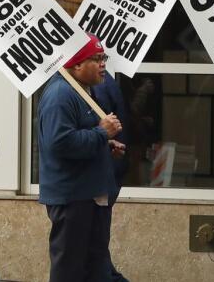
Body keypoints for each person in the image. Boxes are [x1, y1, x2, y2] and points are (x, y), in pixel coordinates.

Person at [36, 35, 125, 282]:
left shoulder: (81, 90)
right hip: (73, 197)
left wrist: (104, 144)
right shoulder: (60, 95)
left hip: (88, 194)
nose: (103, 64)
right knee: (70, 269)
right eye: (96, 59)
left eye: (103, 57)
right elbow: (59, 143)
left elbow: (78, 134)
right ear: (76, 65)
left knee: (95, 267)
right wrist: (101, 133)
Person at [91, 56, 132, 282]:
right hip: (109, 170)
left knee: (94, 250)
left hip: (102, 174)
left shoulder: (100, 85)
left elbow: (103, 128)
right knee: (95, 249)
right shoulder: (103, 84)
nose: (102, 64)